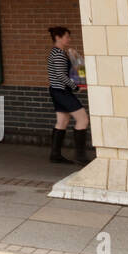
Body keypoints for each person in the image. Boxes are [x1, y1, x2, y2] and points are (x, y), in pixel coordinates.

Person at [47, 25, 90, 165]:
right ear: (58, 38)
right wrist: (76, 87)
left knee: (62, 121)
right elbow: (61, 75)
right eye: (67, 37)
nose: (69, 39)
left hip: (56, 90)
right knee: (83, 119)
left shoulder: (56, 52)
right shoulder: (58, 54)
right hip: (62, 91)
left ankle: (55, 154)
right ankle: (80, 156)